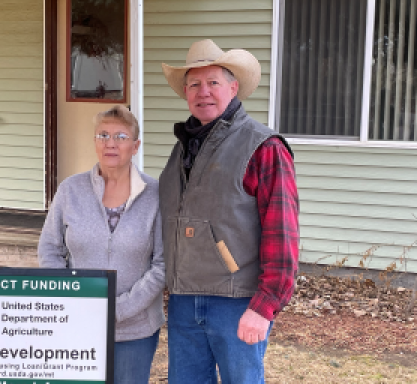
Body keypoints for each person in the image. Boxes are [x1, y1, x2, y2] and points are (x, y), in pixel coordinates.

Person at [159, 39, 300, 383]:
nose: (203, 92)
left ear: (234, 88)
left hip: (237, 303)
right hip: (183, 300)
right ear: (186, 92)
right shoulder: (182, 150)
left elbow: (282, 232)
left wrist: (265, 306)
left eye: (213, 83)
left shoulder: (263, 147)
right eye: (194, 83)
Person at [37, 105, 165, 384]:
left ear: (135, 146)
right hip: (77, 322)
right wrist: (71, 300)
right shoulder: (70, 189)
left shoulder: (155, 194)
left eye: (120, 136)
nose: (110, 143)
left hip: (135, 330)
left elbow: (162, 265)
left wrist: (115, 310)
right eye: (102, 135)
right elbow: (49, 249)